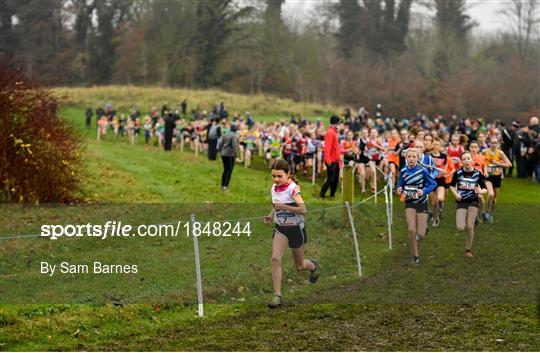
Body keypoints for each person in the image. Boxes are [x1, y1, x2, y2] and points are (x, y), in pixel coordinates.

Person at [263, 159, 319, 308]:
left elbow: (303, 210)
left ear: (288, 174)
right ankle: (277, 296)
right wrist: (270, 214)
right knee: (275, 258)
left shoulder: (293, 189)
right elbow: (277, 205)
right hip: (281, 228)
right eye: (274, 176)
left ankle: (313, 266)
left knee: (299, 266)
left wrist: (285, 207)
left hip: (296, 229)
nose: (276, 179)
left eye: (279, 176)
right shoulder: (274, 188)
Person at [396, 148, 437, 265]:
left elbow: (433, 184)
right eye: (409, 156)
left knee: (421, 234)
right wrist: (399, 190)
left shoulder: (422, 171)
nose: (411, 159)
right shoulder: (403, 171)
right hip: (409, 203)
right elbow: (400, 185)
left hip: (422, 203)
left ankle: (425, 228)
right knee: (411, 230)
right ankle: (415, 256)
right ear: (406, 158)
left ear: (418, 159)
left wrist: (424, 191)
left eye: (414, 157)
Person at [449, 151, 487, 258]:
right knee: (461, 227)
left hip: (473, 202)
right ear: (461, 161)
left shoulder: (478, 173)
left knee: (470, 227)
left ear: (472, 160)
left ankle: (468, 250)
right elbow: (451, 186)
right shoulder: (458, 173)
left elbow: (485, 189)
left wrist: (479, 192)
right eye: (464, 159)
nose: (466, 161)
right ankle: (462, 219)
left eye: (468, 159)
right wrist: (456, 194)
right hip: (461, 202)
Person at [483, 137, 512, 223]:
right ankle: (487, 212)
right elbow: (480, 161)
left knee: (494, 199)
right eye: (492, 142)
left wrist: (499, 163)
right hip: (487, 176)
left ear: (498, 144)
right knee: (490, 194)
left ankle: (490, 213)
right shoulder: (485, 152)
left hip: (497, 177)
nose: (493, 144)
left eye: (495, 143)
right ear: (489, 143)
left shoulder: (500, 153)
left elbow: (509, 164)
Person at [429, 138, 455, 226]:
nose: (436, 146)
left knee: (440, 198)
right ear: (432, 145)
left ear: (440, 146)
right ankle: (436, 218)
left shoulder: (444, 157)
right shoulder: (428, 156)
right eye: (434, 144)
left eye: (438, 145)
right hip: (430, 180)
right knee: (433, 202)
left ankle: (440, 207)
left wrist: (445, 173)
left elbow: (447, 168)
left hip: (441, 180)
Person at [319, 115, 340, 199]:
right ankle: (321, 194)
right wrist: (328, 161)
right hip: (331, 160)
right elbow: (327, 148)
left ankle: (332, 195)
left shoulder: (334, 131)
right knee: (330, 179)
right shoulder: (330, 132)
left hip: (336, 160)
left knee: (335, 179)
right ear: (337, 123)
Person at [218, 123, 238, 191]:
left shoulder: (225, 134)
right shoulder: (234, 135)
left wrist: (220, 151)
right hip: (230, 154)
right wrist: (236, 155)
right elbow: (234, 146)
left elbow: (220, 143)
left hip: (223, 154)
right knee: (229, 170)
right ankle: (225, 186)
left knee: (225, 170)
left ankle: (222, 185)